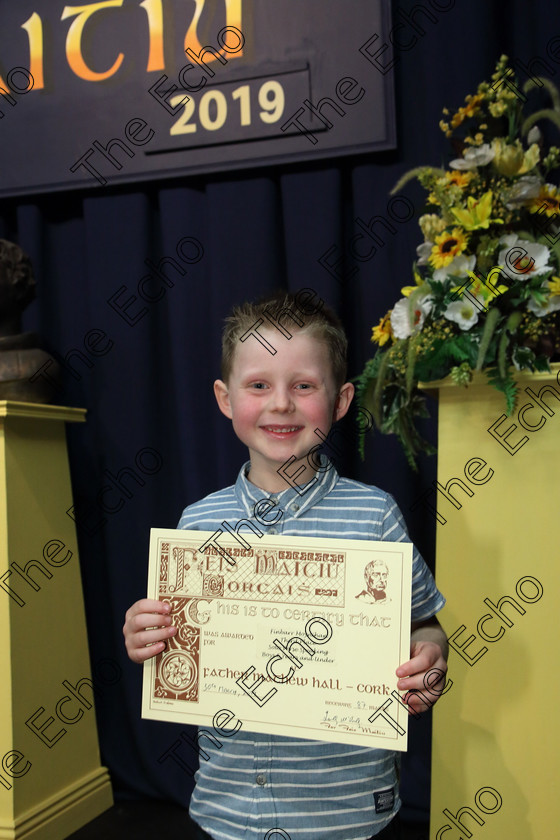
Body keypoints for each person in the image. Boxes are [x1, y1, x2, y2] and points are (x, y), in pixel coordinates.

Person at [123, 290, 448, 840]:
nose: (280, 404)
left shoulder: (374, 516)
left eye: (303, 385)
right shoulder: (197, 524)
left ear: (341, 401)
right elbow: (177, 644)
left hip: (345, 813)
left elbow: (424, 622)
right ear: (225, 399)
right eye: (258, 385)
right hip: (227, 808)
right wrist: (145, 635)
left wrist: (431, 655)